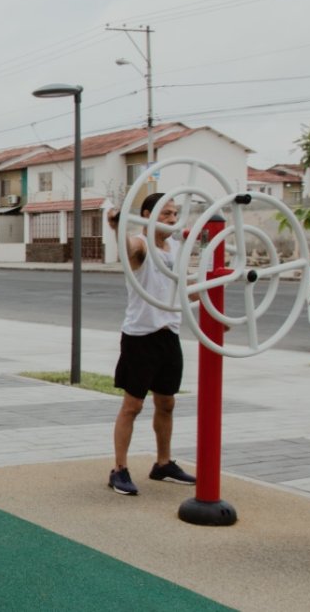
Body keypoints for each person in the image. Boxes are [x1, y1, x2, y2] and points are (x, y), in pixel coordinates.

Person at [106, 192, 197, 496]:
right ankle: (118, 469)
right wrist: (116, 224)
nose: (172, 219)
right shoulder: (140, 245)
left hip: (168, 333)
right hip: (140, 337)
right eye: (166, 214)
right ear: (147, 214)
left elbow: (184, 290)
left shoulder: (175, 247)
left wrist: (216, 293)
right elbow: (127, 245)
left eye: (174, 214)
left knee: (167, 403)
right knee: (133, 406)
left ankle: (163, 463)